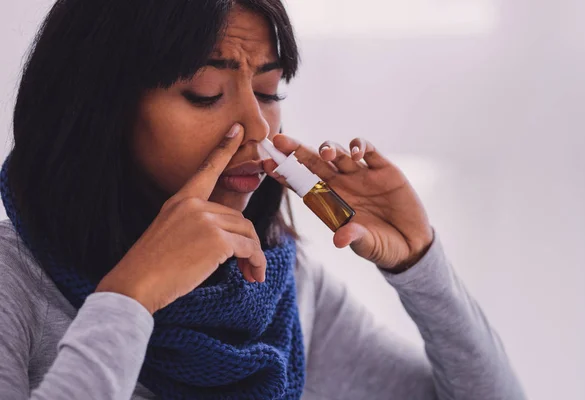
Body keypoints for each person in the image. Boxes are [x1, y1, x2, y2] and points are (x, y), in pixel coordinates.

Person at [0, 0, 526, 399]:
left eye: (270, 91)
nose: (257, 126)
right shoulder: (13, 281)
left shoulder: (282, 289)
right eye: (205, 92)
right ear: (99, 107)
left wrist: (419, 263)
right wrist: (130, 298)